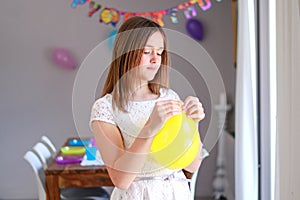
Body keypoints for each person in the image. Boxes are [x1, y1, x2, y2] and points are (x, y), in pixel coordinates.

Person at [90, 16, 205, 199]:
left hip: (176, 193)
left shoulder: (169, 97)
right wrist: (150, 128)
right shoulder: (105, 108)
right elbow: (121, 180)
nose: (155, 60)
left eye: (159, 53)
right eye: (147, 52)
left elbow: (192, 165)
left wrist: (193, 124)